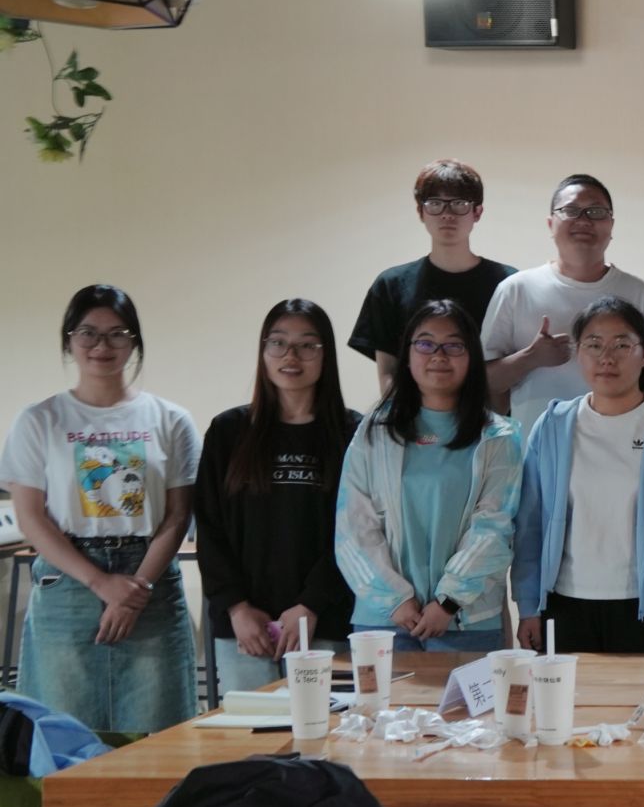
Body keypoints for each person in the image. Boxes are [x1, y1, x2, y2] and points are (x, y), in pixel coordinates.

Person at [0, 286, 200, 732]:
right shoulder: (39, 419)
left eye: (116, 334)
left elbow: (177, 516)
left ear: (134, 342)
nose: (101, 346)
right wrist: (100, 581)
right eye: (87, 333)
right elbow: (31, 517)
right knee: (66, 732)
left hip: (148, 582)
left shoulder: (170, 419)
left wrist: (136, 589)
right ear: (69, 341)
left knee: (156, 733)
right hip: (68, 582)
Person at [512, 298, 644, 654]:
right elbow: (530, 524)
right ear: (578, 353)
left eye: (622, 345)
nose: (607, 357)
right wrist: (527, 605)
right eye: (594, 345)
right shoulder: (553, 425)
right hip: (563, 604)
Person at [195, 299, 362, 692]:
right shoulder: (228, 431)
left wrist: (311, 604)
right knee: (253, 728)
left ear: (326, 354)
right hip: (244, 627)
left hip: (324, 619)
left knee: (325, 728)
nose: (291, 356)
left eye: (307, 345)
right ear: (263, 350)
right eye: (278, 343)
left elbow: (357, 530)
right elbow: (209, 525)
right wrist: (236, 607)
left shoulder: (353, 433)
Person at [337, 301, 522, 653]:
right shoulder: (375, 431)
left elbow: (494, 528)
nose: (438, 355)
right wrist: (394, 600)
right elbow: (353, 525)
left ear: (472, 357)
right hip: (384, 620)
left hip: (467, 619)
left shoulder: (499, 436)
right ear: (407, 356)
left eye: (454, 345)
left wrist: (448, 601)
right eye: (425, 343)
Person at [481, 174, 644, 430]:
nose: (584, 220)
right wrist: (531, 357)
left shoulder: (641, 295)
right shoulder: (515, 290)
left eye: (596, 212)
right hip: (537, 447)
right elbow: (484, 384)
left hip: (622, 446)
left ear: (611, 225)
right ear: (550, 224)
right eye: (571, 210)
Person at [348, 159, 516, 396]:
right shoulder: (390, 285)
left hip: (490, 417)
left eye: (459, 204)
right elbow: (389, 374)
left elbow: (514, 370)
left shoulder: (509, 284)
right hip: (414, 417)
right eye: (435, 203)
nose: (447, 215)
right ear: (421, 212)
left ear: (477, 212)